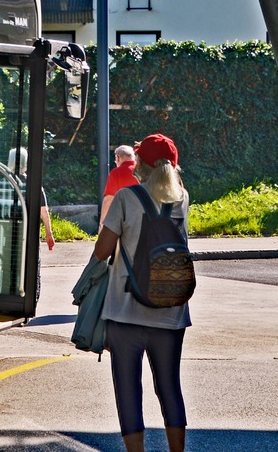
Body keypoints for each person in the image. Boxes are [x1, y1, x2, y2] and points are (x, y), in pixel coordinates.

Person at [93, 133, 190, 452]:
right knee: (169, 387)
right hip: (171, 312)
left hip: (125, 311)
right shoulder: (182, 199)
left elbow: (102, 250)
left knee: (128, 389)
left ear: (142, 166)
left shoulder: (126, 198)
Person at [100, 144, 139, 226]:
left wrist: (102, 223)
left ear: (118, 157)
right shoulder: (143, 170)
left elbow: (108, 199)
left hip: (124, 220)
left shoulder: (116, 172)